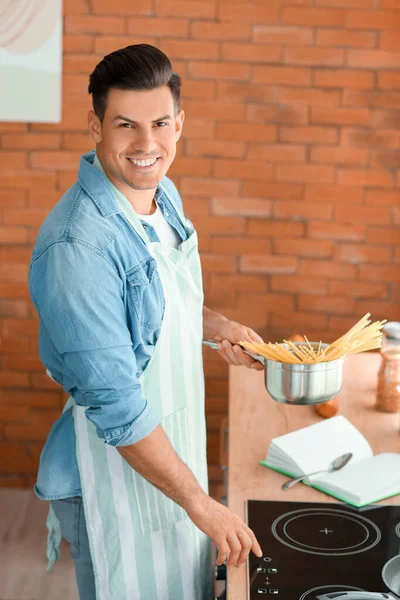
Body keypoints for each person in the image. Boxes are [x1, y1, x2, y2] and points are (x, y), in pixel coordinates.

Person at [29, 44, 264, 600]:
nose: (146, 144)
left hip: (171, 450)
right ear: (95, 125)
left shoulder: (162, 194)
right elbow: (117, 403)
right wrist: (201, 502)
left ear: (179, 125)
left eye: (160, 123)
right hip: (109, 471)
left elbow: (158, 301)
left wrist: (217, 325)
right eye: (126, 125)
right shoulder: (78, 246)